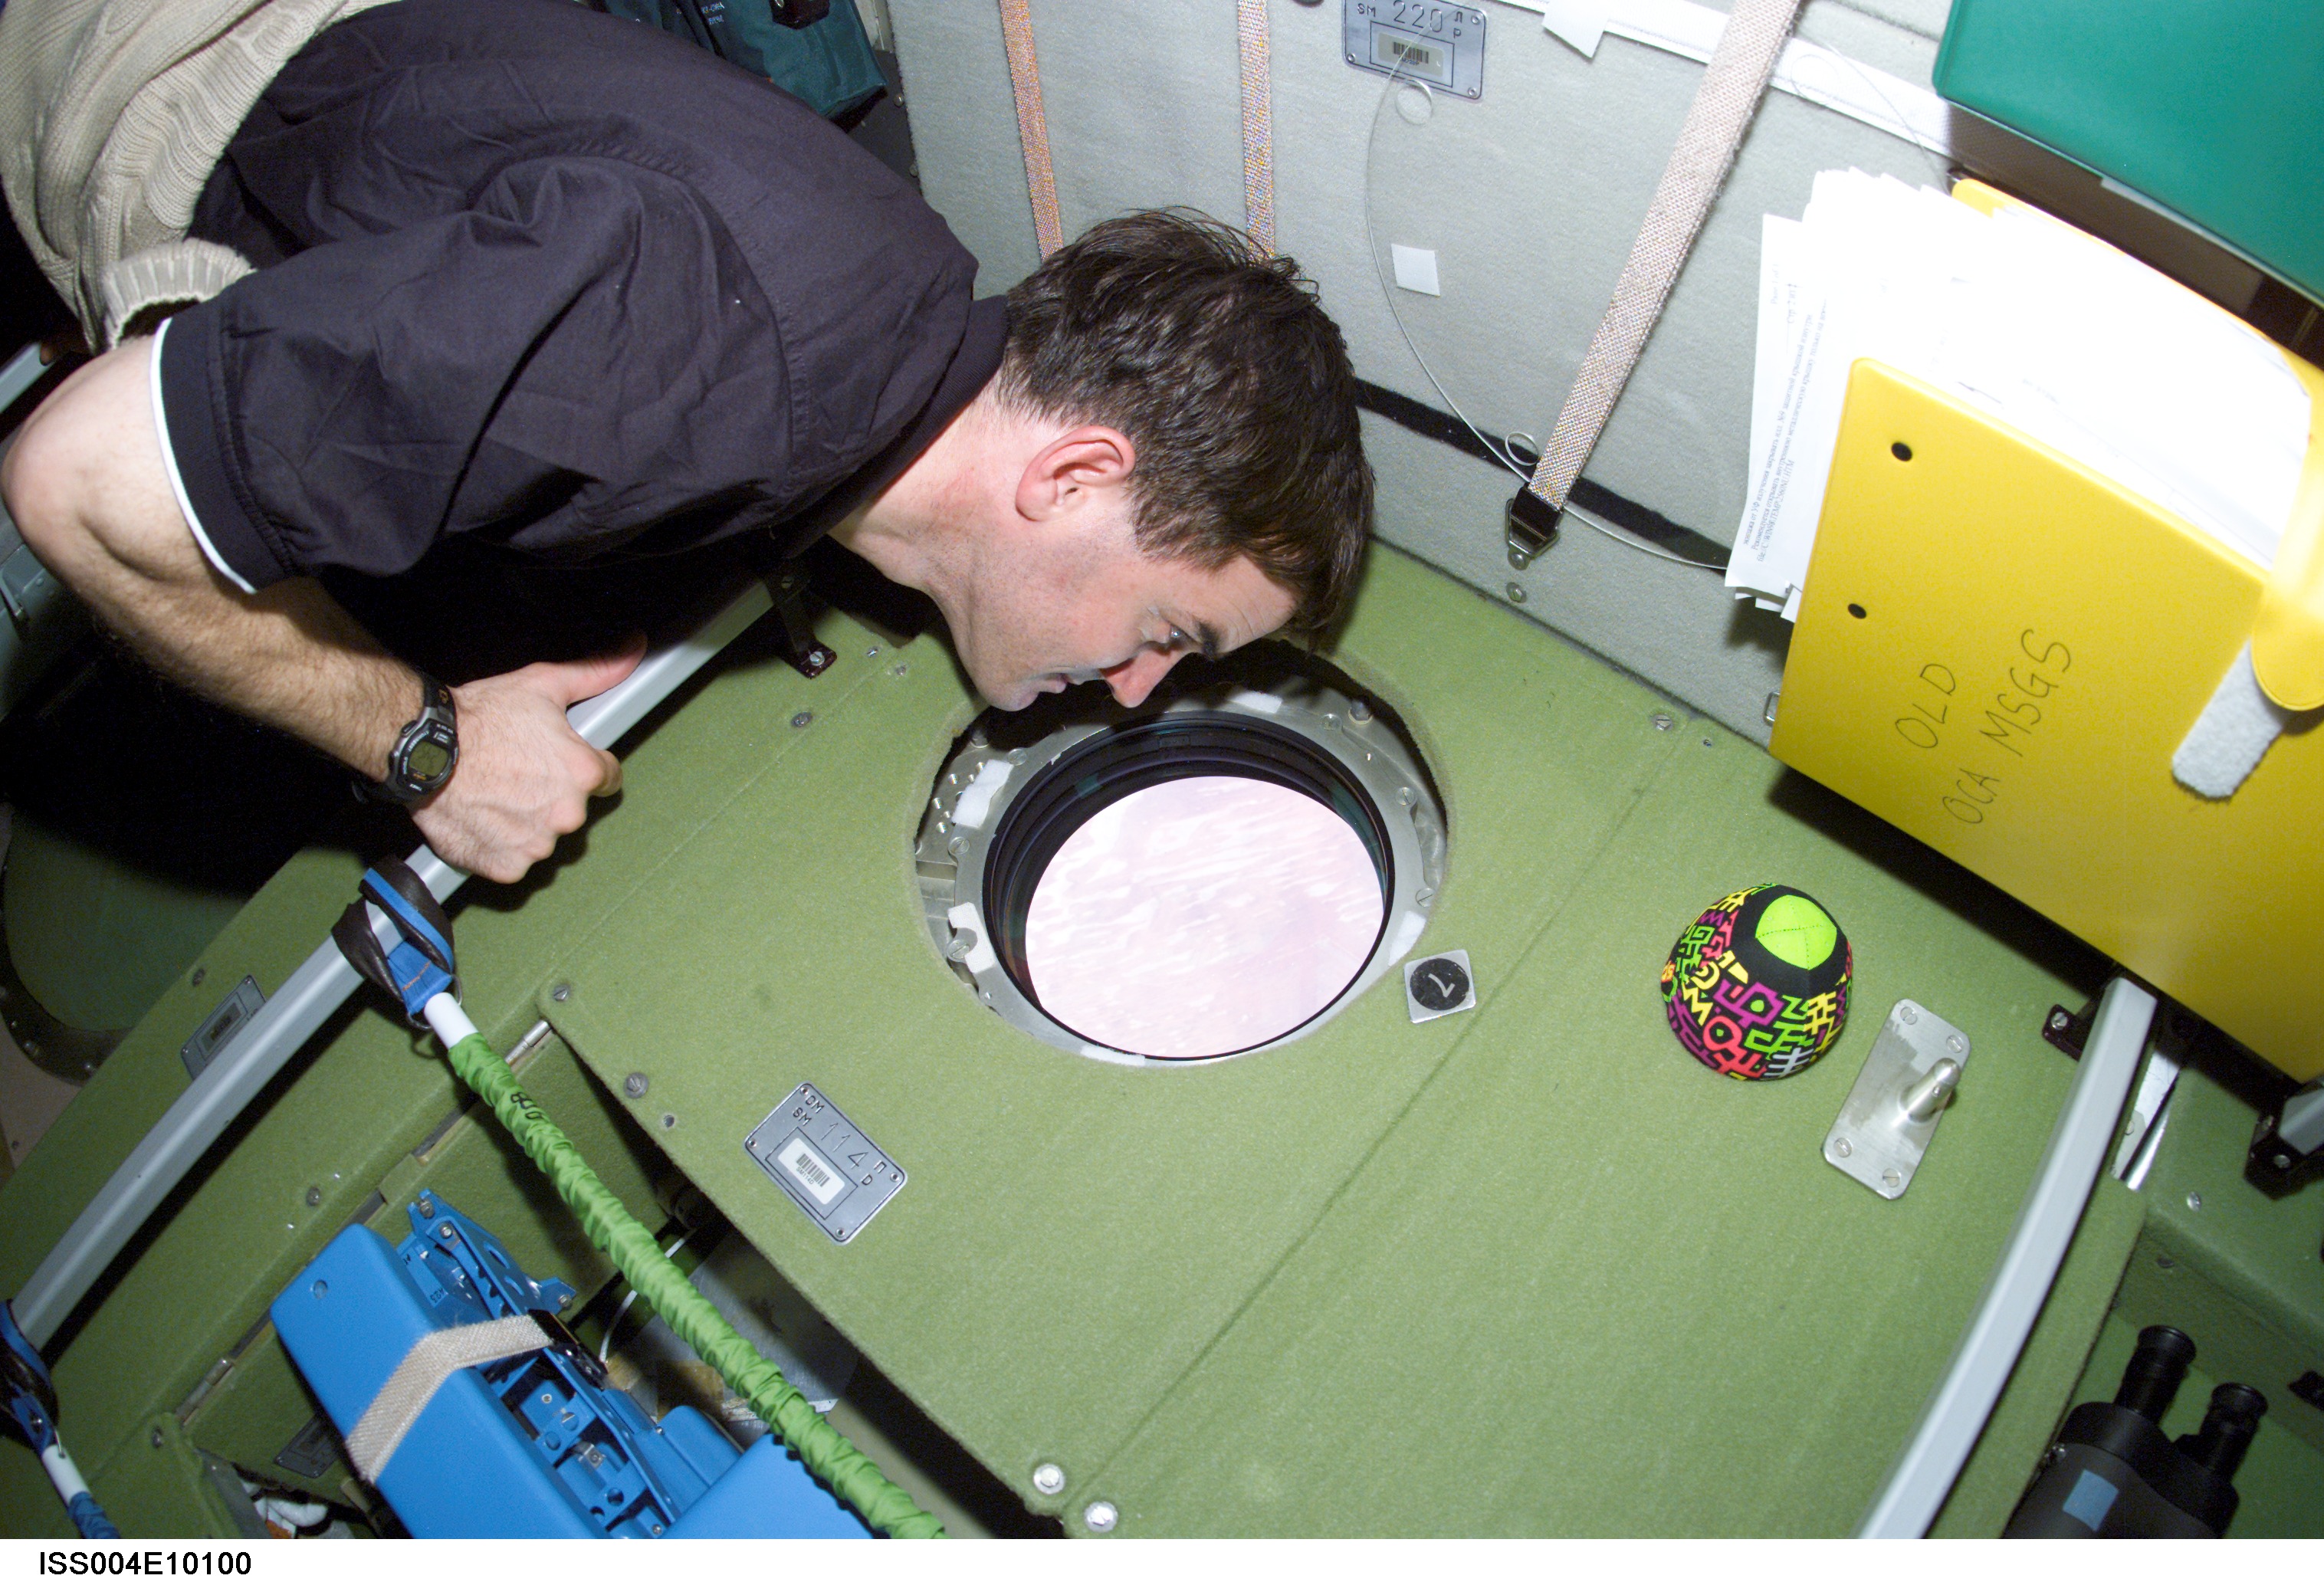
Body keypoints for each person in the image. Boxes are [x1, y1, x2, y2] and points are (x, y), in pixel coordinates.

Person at [0, 0, 1370, 885]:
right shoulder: (695, 366)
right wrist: (429, 747)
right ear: (1075, 475)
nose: (1134, 692)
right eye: (1172, 634)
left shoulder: (899, 280)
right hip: (135, 55)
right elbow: (78, 484)